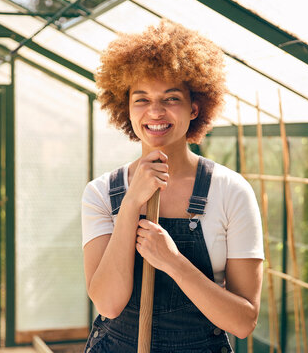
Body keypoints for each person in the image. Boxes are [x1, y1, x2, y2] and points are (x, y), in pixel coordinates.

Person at [82, 20, 264, 353]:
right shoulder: (100, 194)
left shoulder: (231, 191)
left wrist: (173, 261)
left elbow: (243, 322)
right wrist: (131, 203)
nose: (155, 111)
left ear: (194, 108)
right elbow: (108, 305)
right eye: (141, 99)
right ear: (126, 108)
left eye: (171, 99)